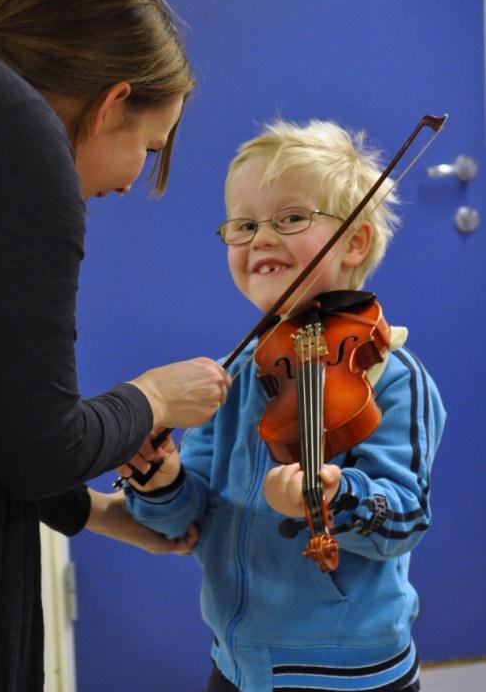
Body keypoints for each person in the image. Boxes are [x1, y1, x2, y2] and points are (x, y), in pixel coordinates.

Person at [0, 0, 231, 691]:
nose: (128, 181)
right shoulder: (13, 132)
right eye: (147, 149)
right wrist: (154, 397)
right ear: (112, 99)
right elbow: (37, 445)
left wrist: (93, 511)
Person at [122, 119, 446, 692]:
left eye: (290, 218)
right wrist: (160, 479)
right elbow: (183, 520)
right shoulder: (236, 372)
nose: (261, 239)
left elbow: (404, 518)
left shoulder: (388, 376)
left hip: (349, 672)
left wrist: (331, 494)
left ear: (354, 241)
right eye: (244, 225)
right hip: (237, 662)